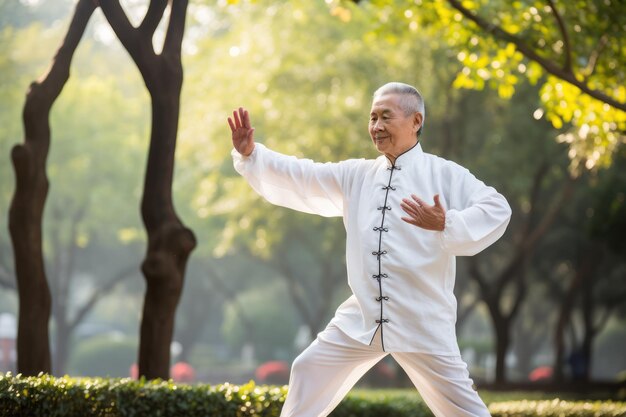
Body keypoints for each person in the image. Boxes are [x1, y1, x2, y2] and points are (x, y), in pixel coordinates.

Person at [228, 82, 511, 417]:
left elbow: (497, 208)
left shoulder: (444, 174)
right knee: (308, 369)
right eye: (372, 117)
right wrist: (252, 155)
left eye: (385, 117)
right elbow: (303, 175)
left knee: (463, 410)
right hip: (362, 316)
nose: (376, 127)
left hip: (422, 320)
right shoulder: (357, 175)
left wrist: (447, 223)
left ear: (416, 121)